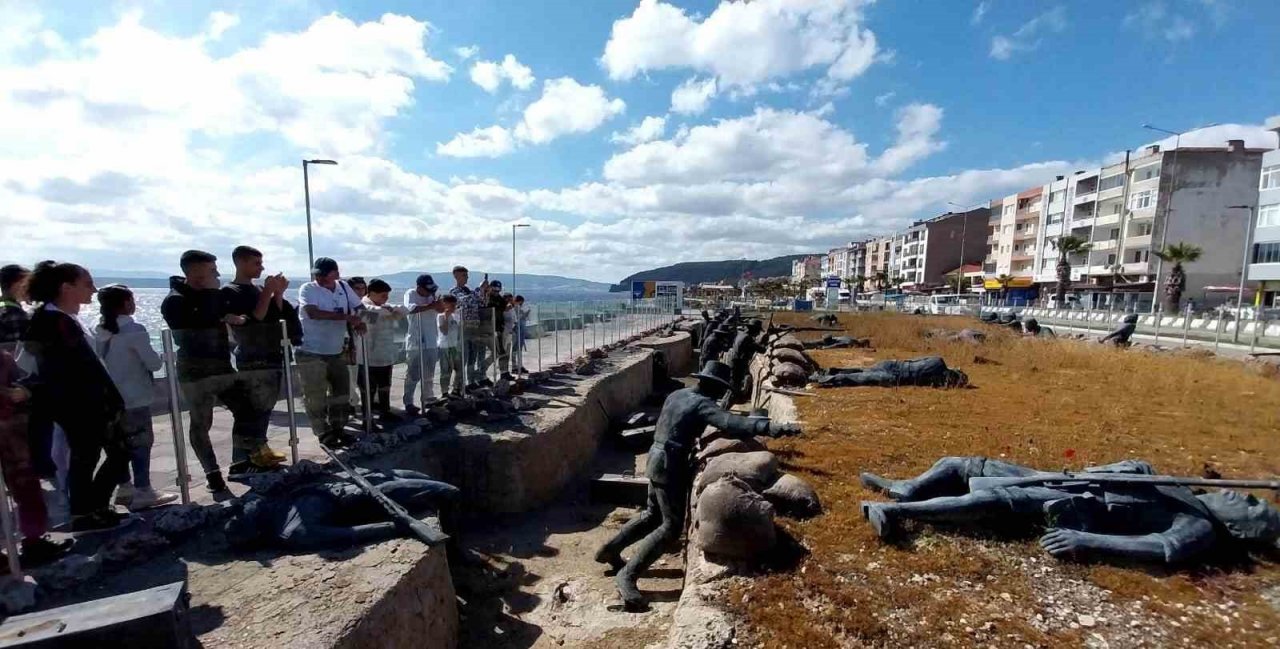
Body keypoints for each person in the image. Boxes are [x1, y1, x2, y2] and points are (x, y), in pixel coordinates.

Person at [595, 360, 802, 610]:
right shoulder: (702, 403)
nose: (720, 394)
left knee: (651, 515)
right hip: (671, 465)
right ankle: (627, 575)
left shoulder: (678, 394)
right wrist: (769, 426)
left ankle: (609, 550)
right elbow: (729, 423)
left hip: (655, 457)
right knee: (670, 527)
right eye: (720, 389)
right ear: (713, 386)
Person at [859, 457, 1280, 565]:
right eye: (1250, 496)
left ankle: (897, 514)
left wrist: (1084, 540)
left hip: (1077, 508)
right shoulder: (1181, 488)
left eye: (1251, 507)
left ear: (1242, 530)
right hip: (1066, 478)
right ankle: (905, 489)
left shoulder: (1198, 528)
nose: (1242, 497)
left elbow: (1156, 546)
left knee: (986, 501)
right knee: (963, 462)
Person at [24, 261, 131, 532]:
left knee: (97, 455)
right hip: (79, 404)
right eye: (87, 284)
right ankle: (87, 510)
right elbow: (72, 369)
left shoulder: (61, 320)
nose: (93, 290)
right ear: (66, 288)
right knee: (95, 455)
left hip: (84, 402)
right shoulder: (53, 323)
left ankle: (92, 508)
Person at [161, 250, 253, 500]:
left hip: (222, 366)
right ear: (196, 274)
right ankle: (212, 473)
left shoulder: (211, 297)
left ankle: (242, 460)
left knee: (247, 409)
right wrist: (217, 303)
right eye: (212, 271)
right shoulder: (175, 299)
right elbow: (196, 321)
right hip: (196, 372)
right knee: (201, 423)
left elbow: (218, 314)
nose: (218, 275)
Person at [223, 468, 459, 552]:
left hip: (359, 480)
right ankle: (458, 552)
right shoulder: (294, 531)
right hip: (367, 497)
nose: (244, 507)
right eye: (241, 515)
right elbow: (352, 533)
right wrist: (398, 526)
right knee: (448, 491)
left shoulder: (275, 506)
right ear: (254, 529)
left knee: (418, 475)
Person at [94, 285, 180, 511]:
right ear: (125, 303)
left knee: (117, 446)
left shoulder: (99, 330)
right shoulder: (134, 330)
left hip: (108, 400)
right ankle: (143, 489)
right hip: (134, 397)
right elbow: (153, 363)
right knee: (141, 444)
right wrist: (164, 356)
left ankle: (125, 487)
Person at [220, 246, 293, 473]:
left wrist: (277, 294)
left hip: (270, 352)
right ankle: (242, 460)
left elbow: (275, 316)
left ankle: (259, 449)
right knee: (252, 410)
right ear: (240, 263)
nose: (261, 268)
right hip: (252, 357)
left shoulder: (259, 289)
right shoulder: (230, 291)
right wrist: (267, 293)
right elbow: (255, 317)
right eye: (256, 263)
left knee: (264, 408)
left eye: (261, 263)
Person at [0, 347, 74, 564]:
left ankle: (33, 542)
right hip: (13, 437)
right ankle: (32, 543)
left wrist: (24, 391)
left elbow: (26, 384)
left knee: (28, 490)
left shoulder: (4, 360)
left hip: (13, 437)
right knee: (27, 490)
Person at [296, 257, 364, 449]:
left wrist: (362, 320)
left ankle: (339, 428)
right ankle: (323, 432)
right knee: (315, 394)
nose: (320, 278)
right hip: (311, 350)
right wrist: (346, 317)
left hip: (335, 350)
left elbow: (360, 307)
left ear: (335, 274)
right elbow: (312, 312)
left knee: (341, 392)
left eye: (325, 274)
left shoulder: (343, 287)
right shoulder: (308, 289)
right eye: (318, 274)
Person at [356, 280, 405, 424]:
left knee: (384, 386)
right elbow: (372, 317)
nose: (386, 299)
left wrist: (389, 311)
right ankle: (368, 420)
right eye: (383, 295)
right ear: (372, 293)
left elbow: (403, 310)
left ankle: (385, 412)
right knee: (368, 390)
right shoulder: (362, 306)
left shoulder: (382, 306)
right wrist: (389, 312)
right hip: (368, 356)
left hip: (384, 354)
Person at [403, 274, 443, 415]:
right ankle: (408, 401)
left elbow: (439, 310)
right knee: (413, 374)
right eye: (427, 290)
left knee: (429, 372)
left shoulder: (432, 295)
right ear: (419, 287)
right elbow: (410, 308)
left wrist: (439, 306)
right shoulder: (411, 293)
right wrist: (430, 305)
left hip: (432, 339)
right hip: (416, 340)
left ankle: (427, 398)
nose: (429, 293)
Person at [450, 266, 492, 389]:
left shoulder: (469, 291)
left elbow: (482, 303)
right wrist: (480, 289)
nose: (466, 278)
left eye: (467, 275)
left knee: (473, 357)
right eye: (464, 275)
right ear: (456, 276)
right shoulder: (454, 291)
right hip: (462, 327)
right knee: (463, 357)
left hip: (474, 327)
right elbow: (465, 301)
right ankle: (458, 386)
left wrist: (485, 293)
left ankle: (471, 381)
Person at [810, 356, 968, 389]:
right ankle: (826, 380)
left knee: (863, 371)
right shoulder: (937, 374)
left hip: (892, 363)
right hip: (895, 376)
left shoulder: (937, 360)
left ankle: (832, 372)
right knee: (859, 378)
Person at [345, 277, 369, 411]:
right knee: (350, 379)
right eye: (357, 289)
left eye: (362, 288)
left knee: (356, 379)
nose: (360, 292)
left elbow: (372, 319)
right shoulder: (347, 306)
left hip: (361, 349)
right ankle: (351, 404)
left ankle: (353, 404)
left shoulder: (361, 306)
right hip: (348, 348)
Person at [436, 295, 464, 397]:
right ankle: (444, 392)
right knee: (446, 370)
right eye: (451, 305)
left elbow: (459, 330)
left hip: (454, 346)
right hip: (445, 346)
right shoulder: (440, 316)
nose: (453, 307)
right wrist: (446, 317)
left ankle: (456, 388)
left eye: (454, 305)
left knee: (459, 368)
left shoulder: (456, 315)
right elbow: (444, 331)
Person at [0, 264, 31, 349]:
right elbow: (17, 352)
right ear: (17, 284)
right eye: (28, 284)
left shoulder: (2, 306)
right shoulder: (14, 313)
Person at [486, 282, 511, 381]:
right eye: (494, 290)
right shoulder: (487, 298)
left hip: (500, 328)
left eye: (498, 290)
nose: (496, 292)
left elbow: (504, 306)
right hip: (490, 328)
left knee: (502, 352)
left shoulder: (499, 299)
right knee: (497, 352)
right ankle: (481, 370)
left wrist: (508, 305)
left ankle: (504, 372)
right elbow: (490, 309)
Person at [513, 295, 530, 373]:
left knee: (519, 349)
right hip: (517, 331)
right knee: (515, 349)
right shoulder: (515, 308)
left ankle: (520, 365)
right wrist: (525, 314)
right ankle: (515, 366)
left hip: (521, 330)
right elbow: (518, 318)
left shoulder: (518, 308)